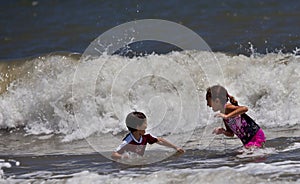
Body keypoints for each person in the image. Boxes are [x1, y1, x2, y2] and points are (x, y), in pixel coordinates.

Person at [111, 111, 185, 160]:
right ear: (137, 127)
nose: (147, 125)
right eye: (145, 123)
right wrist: (123, 157)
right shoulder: (128, 140)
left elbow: (160, 140)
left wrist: (175, 147)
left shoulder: (145, 136)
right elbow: (114, 155)